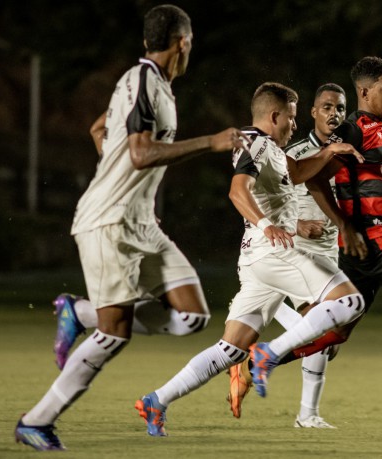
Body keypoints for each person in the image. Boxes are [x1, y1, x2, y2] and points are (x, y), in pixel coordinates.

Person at [14, 5, 248, 451]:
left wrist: (119, 174)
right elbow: (140, 154)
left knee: (192, 315)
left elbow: (99, 128)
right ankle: (36, 421)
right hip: (109, 221)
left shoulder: (148, 82)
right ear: (182, 42)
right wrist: (210, 142)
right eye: (191, 39)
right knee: (114, 333)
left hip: (139, 220)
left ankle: (77, 313)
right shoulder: (143, 81)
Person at [248, 56, 382, 434]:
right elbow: (314, 181)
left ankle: (262, 358)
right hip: (377, 235)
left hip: (372, 243)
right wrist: (343, 224)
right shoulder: (351, 131)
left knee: (335, 334)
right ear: (365, 91)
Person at [134, 82, 366, 437]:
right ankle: (268, 354)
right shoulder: (256, 143)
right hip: (272, 251)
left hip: (256, 260)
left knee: (229, 349)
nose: (294, 123)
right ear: (274, 116)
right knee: (350, 302)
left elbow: (298, 172)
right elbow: (236, 189)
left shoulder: (271, 148)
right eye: (290, 116)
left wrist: (331, 151)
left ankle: (156, 400)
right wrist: (268, 224)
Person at [226, 83, 348, 429]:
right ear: (312, 113)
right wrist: (297, 224)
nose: (334, 114)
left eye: (340, 108)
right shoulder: (287, 148)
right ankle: (306, 414)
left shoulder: (342, 151)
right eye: (326, 107)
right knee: (326, 330)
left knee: (328, 339)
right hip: (293, 249)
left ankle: (252, 355)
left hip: (325, 251)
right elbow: (270, 194)